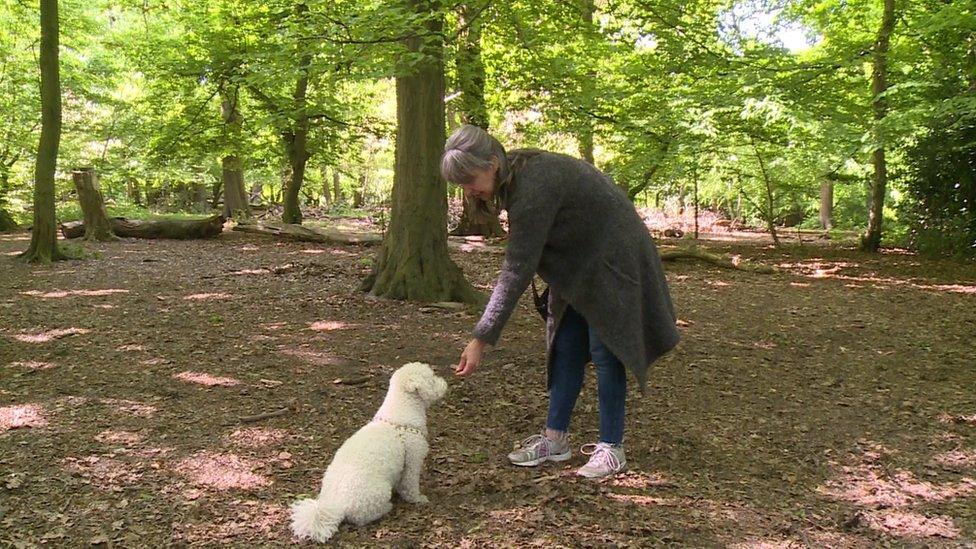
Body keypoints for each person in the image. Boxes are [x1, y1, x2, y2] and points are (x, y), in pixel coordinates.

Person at [441, 124, 680, 479]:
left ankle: (612, 447)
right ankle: (555, 440)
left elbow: (517, 269)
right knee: (565, 345)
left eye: (470, 179)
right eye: (461, 185)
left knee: (605, 348)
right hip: (575, 262)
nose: (469, 191)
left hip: (612, 259)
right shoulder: (514, 171)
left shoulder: (534, 184)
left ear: (492, 163)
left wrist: (481, 337)